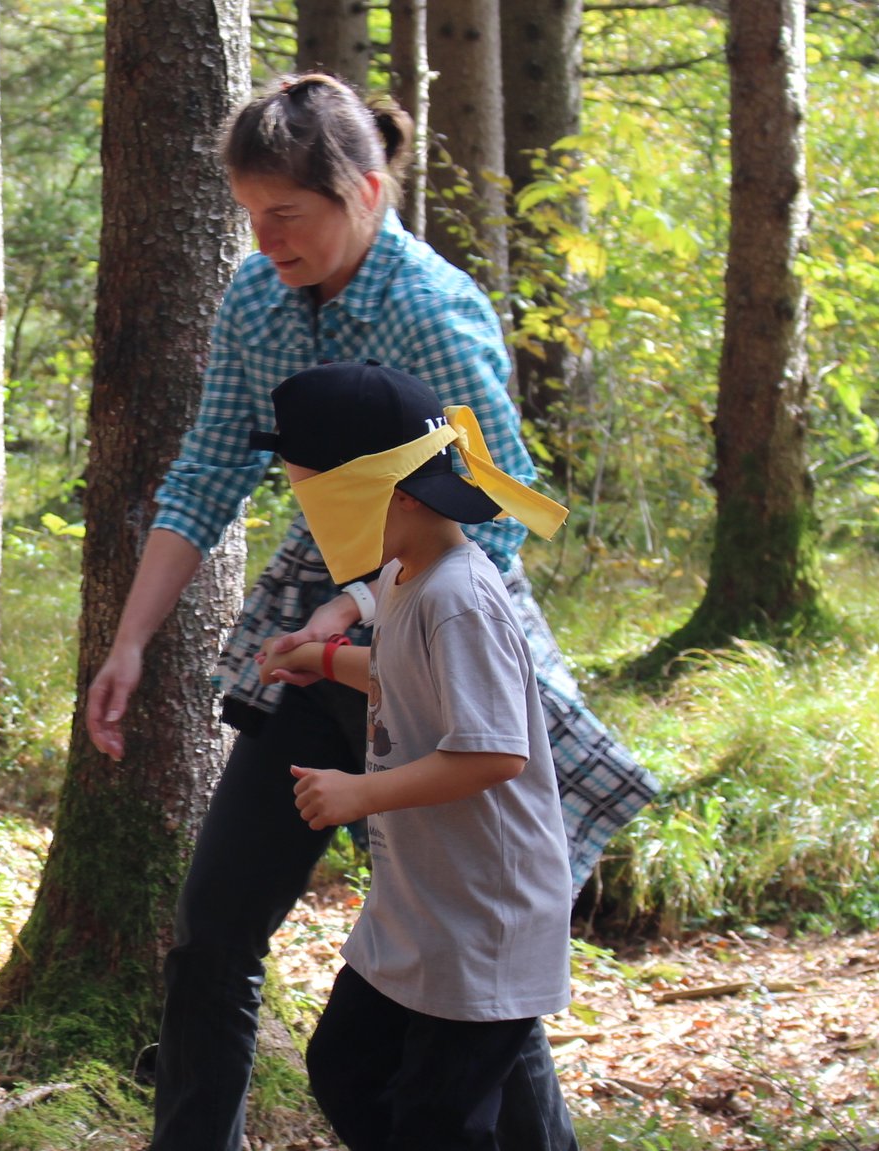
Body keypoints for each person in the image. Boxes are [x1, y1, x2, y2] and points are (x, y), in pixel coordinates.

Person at [82, 73, 656, 1151]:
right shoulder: (254, 300)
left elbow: (493, 505)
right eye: (250, 216)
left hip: (439, 634)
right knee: (214, 927)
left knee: (473, 965)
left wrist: (366, 608)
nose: (264, 239)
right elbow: (205, 471)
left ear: (363, 188)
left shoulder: (432, 311)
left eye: (285, 215)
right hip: (315, 645)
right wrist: (129, 641)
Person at [254, 361, 574, 1149]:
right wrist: (323, 660)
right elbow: (405, 674)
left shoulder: (458, 597)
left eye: (312, 493)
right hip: (423, 909)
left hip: (485, 917)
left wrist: (362, 794)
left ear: (388, 492)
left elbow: (495, 753)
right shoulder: (404, 575)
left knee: (438, 1120)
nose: (307, 513)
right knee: (344, 1067)